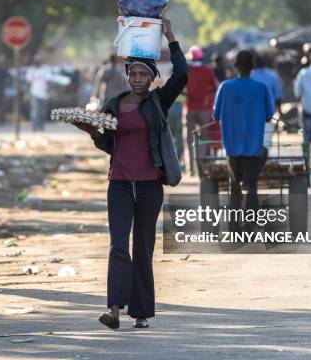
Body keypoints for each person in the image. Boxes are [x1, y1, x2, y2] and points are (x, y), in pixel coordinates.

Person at [73, 17, 187, 330]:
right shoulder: (113, 104)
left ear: (151, 79)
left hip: (150, 186)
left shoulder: (158, 102)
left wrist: (171, 38)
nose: (137, 79)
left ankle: (141, 312)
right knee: (118, 245)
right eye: (133, 74)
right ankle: (113, 309)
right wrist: (92, 131)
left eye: (143, 74)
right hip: (120, 184)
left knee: (143, 247)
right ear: (127, 76)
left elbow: (183, 75)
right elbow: (107, 143)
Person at [214, 50, 273, 229]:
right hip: (254, 148)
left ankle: (233, 226)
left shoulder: (225, 87)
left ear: (236, 66)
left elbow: (216, 116)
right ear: (252, 67)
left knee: (234, 184)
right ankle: (250, 225)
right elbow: (269, 116)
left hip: (232, 148)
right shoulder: (261, 88)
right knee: (252, 185)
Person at [185, 46, 220, 175]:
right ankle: (201, 166)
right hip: (205, 109)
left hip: (190, 108)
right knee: (204, 138)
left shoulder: (187, 70)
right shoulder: (208, 70)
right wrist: (207, 93)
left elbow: (181, 89)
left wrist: (188, 94)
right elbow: (216, 87)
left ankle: (191, 169)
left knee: (190, 138)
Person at [250, 54, 282, 146]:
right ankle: (265, 157)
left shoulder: (250, 75)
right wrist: (280, 110)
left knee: (255, 139)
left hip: (253, 113)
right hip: (268, 113)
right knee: (266, 140)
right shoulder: (273, 75)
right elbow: (278, 95)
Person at [25, 54, 52, 131]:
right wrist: (26, 93)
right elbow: (28, 82)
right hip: (34, 94)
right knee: (35, 112)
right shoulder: (31, 70)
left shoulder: (46, 69)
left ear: (41, 61)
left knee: (42, 112)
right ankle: (34, 127)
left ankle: (41, 127)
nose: (37, 63)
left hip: (44, 94)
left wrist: (49, 91)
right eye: (36, 61)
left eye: (39, 61)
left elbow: (49, 81)